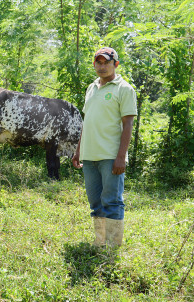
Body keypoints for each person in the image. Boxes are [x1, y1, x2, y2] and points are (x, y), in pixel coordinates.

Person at [72, 47, 137, 248]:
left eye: (106, 62)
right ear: (94, 64)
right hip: (89, 156)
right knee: (96, 204)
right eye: (98, 63)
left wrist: (121, 157)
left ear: (115, 64)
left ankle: (112, 247)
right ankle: (100, 243)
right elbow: (87, 122)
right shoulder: (91, 88)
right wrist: (78, 151)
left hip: (110, 156)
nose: (102, 66)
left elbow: (127, 125)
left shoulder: (124, 89)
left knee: (112, 202)